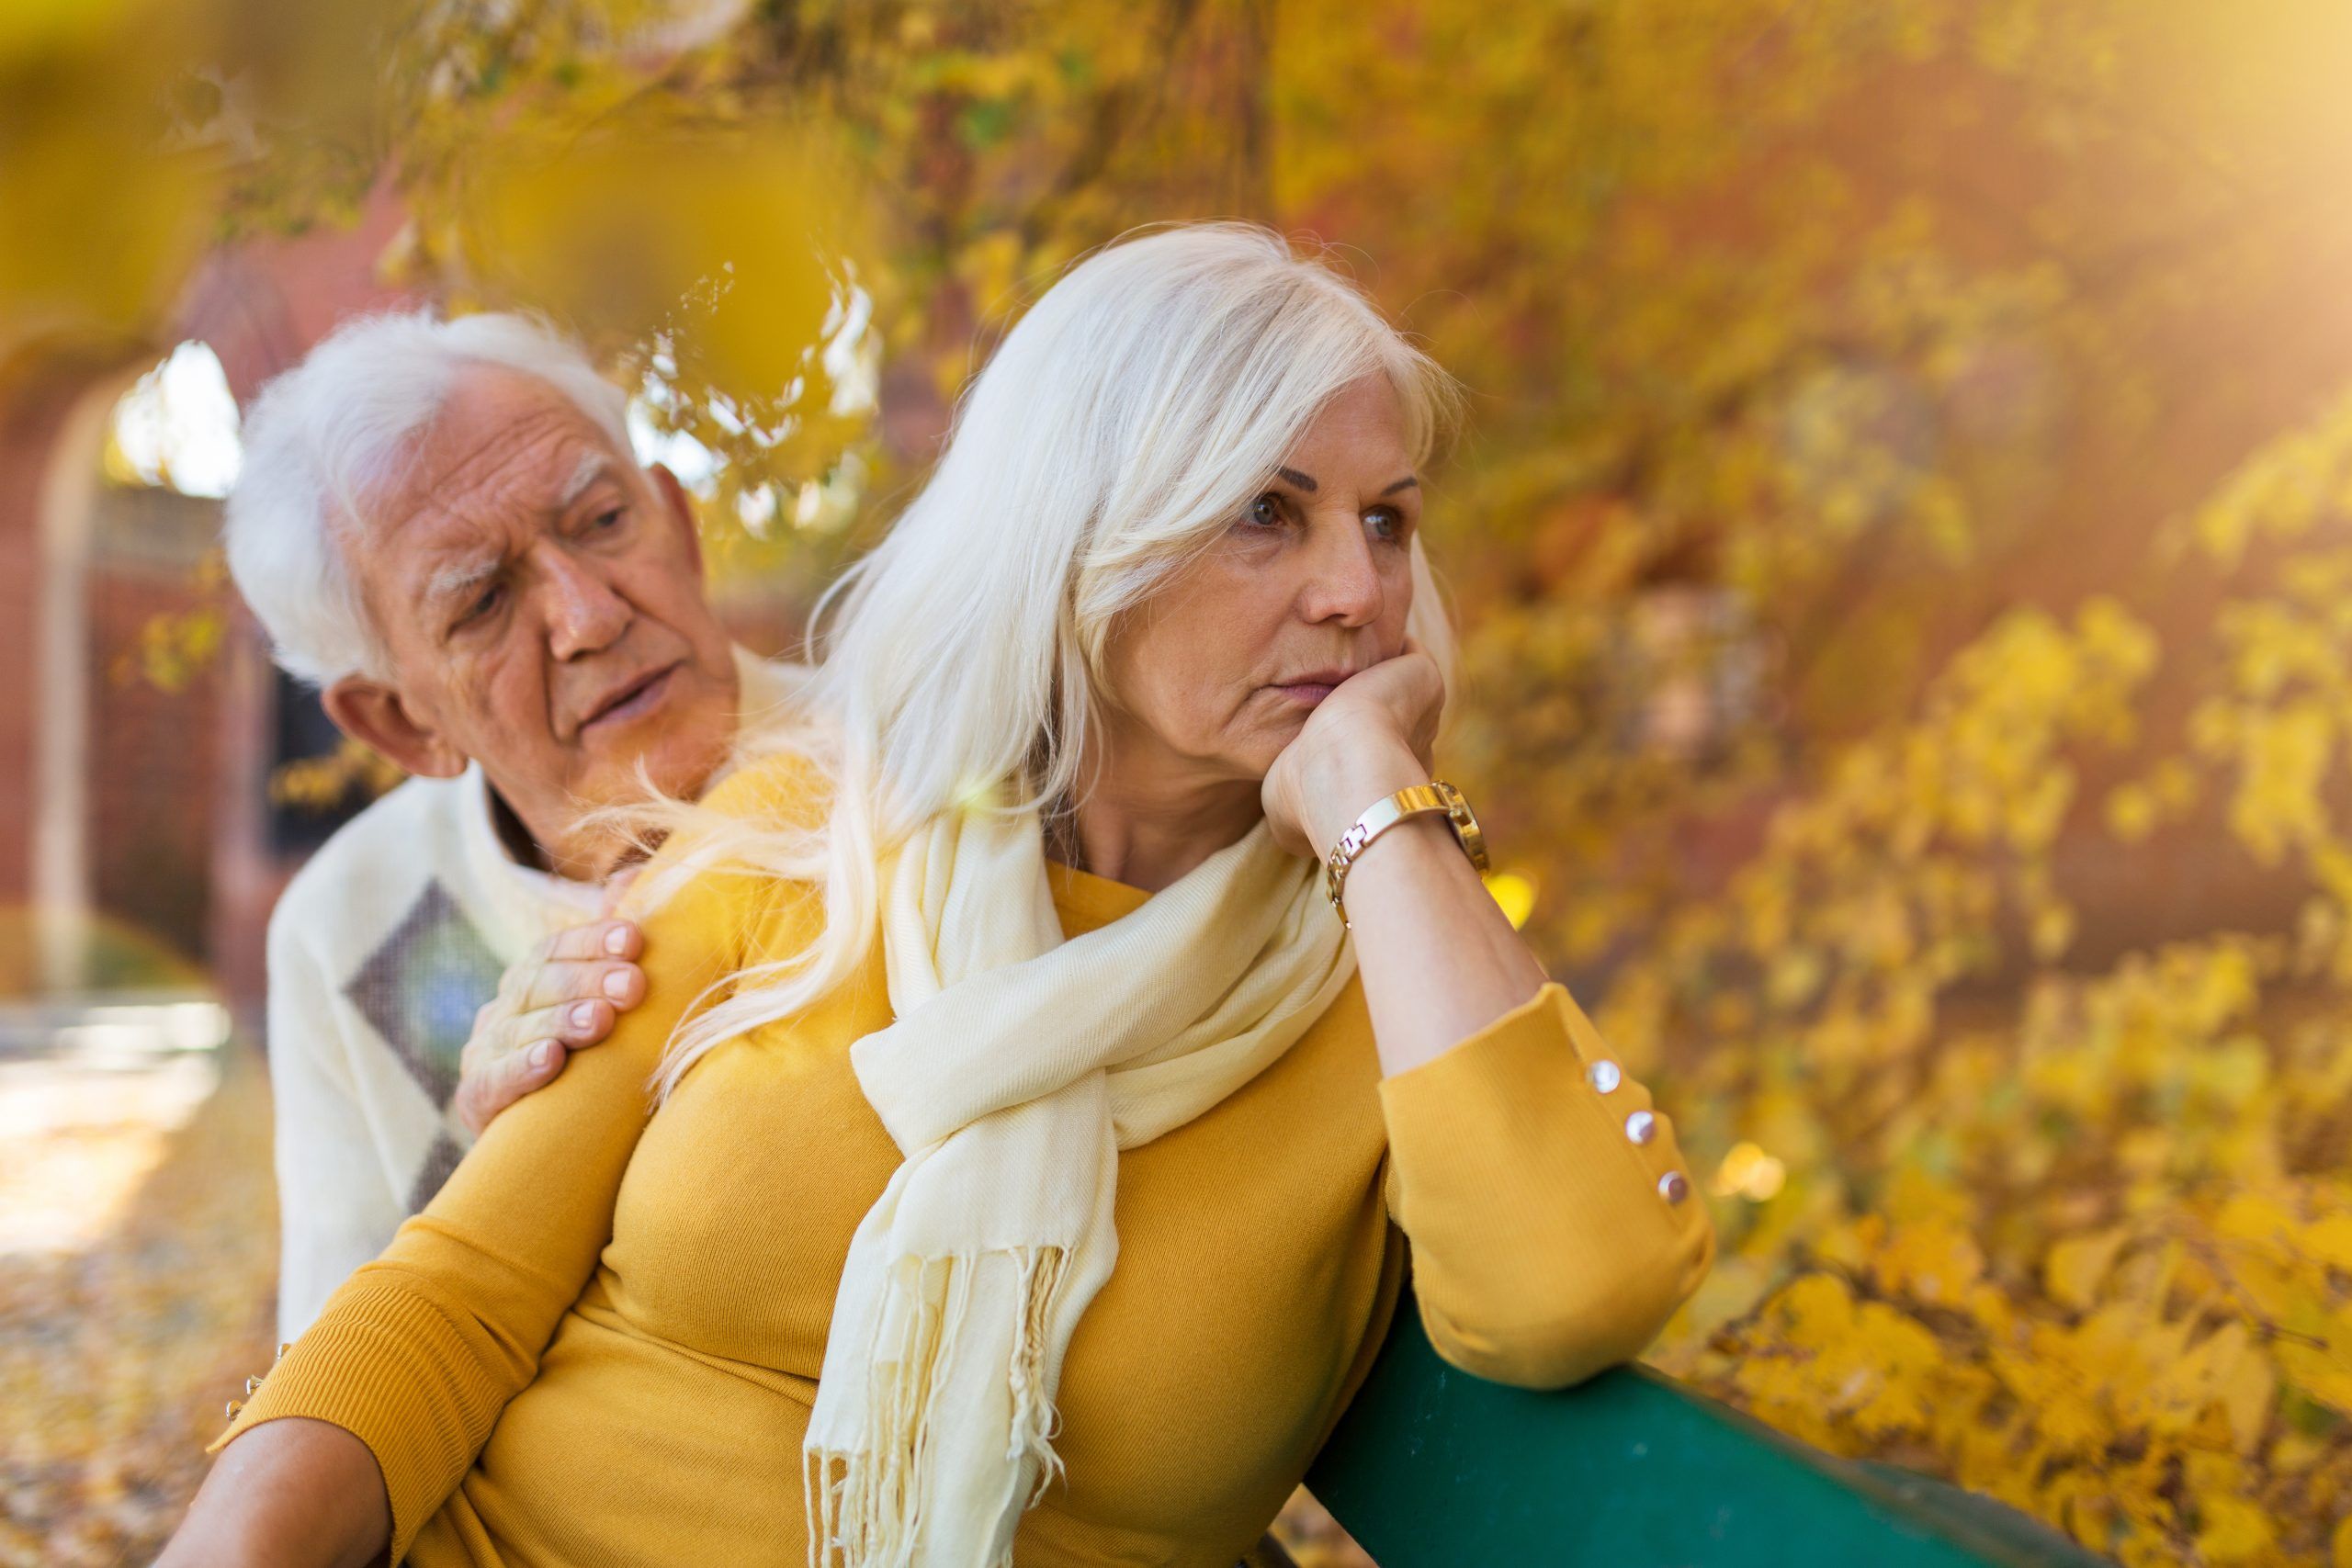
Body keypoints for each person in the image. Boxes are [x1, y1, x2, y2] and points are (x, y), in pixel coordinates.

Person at [163, 221, 1715, 1568]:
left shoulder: (1391, 967)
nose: (1358, 592)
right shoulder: (810, 822)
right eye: (1266, 509)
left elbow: (1569, 1283)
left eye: (1389, 520)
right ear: (1083, 535)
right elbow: (439, 1301)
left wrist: (1379, 806)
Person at [224, 310, 800, 1337]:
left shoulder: (911, 764)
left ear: (678, 522)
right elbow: (350, 1352)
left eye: (602, 521)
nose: (591, 617)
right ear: (403, 722)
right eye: (483, 601)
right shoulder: (354, 928)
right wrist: (516, 1178)